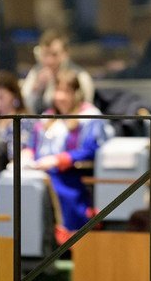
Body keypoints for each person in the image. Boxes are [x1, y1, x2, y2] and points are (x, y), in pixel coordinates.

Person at [22, 69, 110, 233]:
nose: (60, 97)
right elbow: (33, 145)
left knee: (56, 189)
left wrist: (59, 160)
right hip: (39, 171)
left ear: (77, 93)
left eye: (66, 92)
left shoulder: (89, 116)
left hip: (70, 175)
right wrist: (27, 154)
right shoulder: (47, 117)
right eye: (57, 91)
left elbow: (92, 149)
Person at [20, 29, 95, 114]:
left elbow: (86, 112)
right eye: (45, 54)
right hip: (41, 125)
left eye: (54, 54)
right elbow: (23, 108)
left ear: (65, 54)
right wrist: (36, 89)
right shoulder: (36, 72)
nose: (49, 61)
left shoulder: (80, 77)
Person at [0, 70, 34, 174]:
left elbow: (16, 155)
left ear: (14, 95)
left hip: (13, 174)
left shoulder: (23, 121)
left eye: (1, 97)